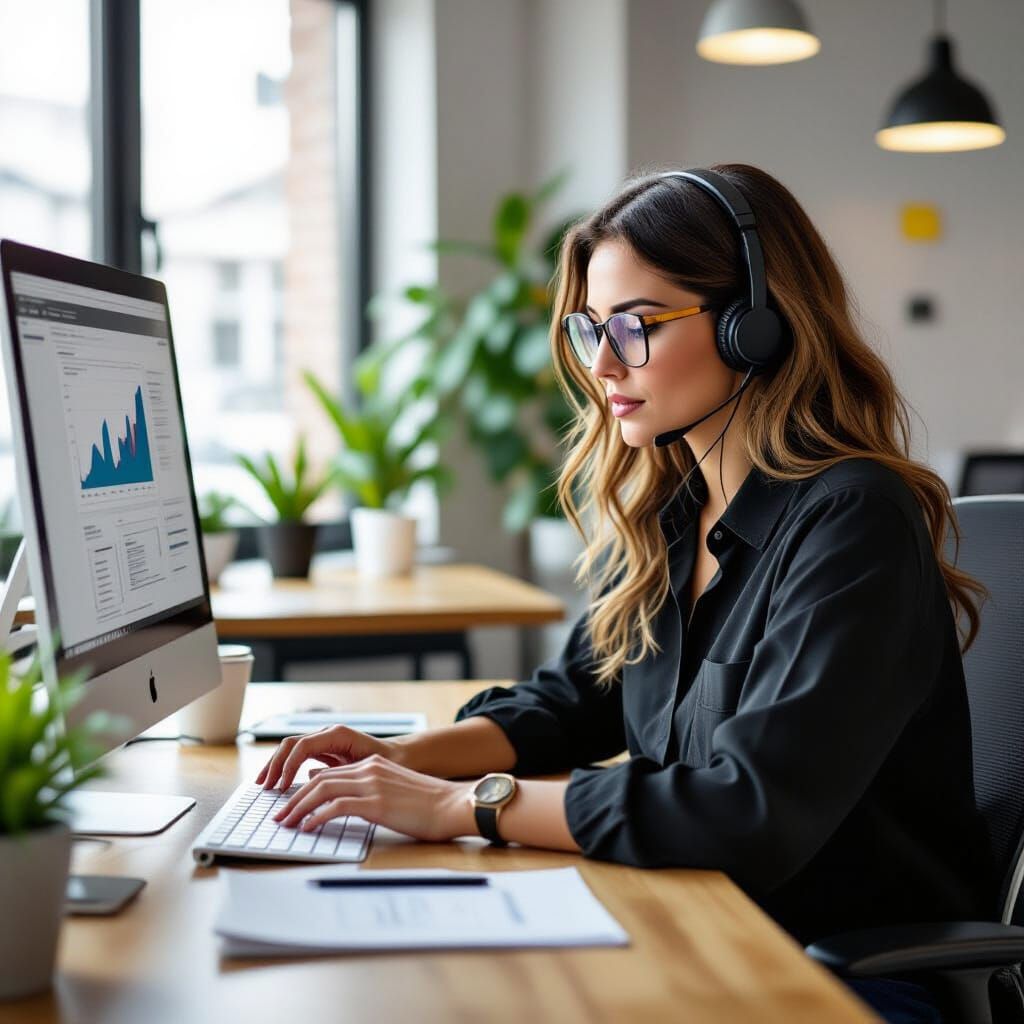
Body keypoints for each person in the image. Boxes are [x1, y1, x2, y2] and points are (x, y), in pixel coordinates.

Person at [256, 164, 995, 1023]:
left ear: (754, 327)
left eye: (638, 327)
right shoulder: (669, 510)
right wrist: (399, 765)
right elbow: (573, 701)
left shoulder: (853, 519)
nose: (603, 364)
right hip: (698, 922)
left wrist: (464, 806)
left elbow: (749, 808)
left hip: (842, 972)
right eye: (589, 329)